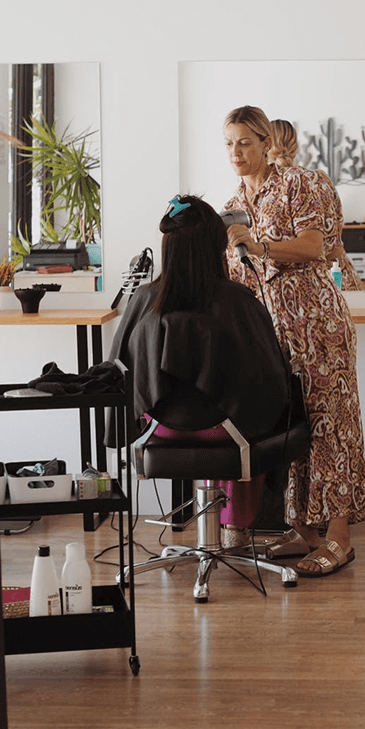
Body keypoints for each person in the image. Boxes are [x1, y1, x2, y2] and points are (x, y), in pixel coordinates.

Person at [221, 105, 365, 577]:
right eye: (229, 143)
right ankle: (305, 531)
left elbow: (313, 246)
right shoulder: (234, 203)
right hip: (270, 335)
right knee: (290, 429)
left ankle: (339, 539)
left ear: (266, 143)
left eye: (245, 142)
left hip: (317, 326)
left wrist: (259, 247)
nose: (236, 152)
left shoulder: (302, 183)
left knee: (330, 427)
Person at [106, 194, 291, 547]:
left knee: (232, 404)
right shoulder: (238, 300)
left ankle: (223, 530)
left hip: (159, 431)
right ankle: (234, 527)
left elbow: (119, 372)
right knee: (244, 407)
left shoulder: (143, 300)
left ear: (168, 247)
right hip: (226, 434)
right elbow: (267, 384)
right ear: (215, 248)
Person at [268, 118, 363, 292]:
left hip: (308, 287)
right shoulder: (321, 178)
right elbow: (337, 227)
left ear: (265, 145)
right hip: (343, 276)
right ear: (295, 146)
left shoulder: (270, 190)